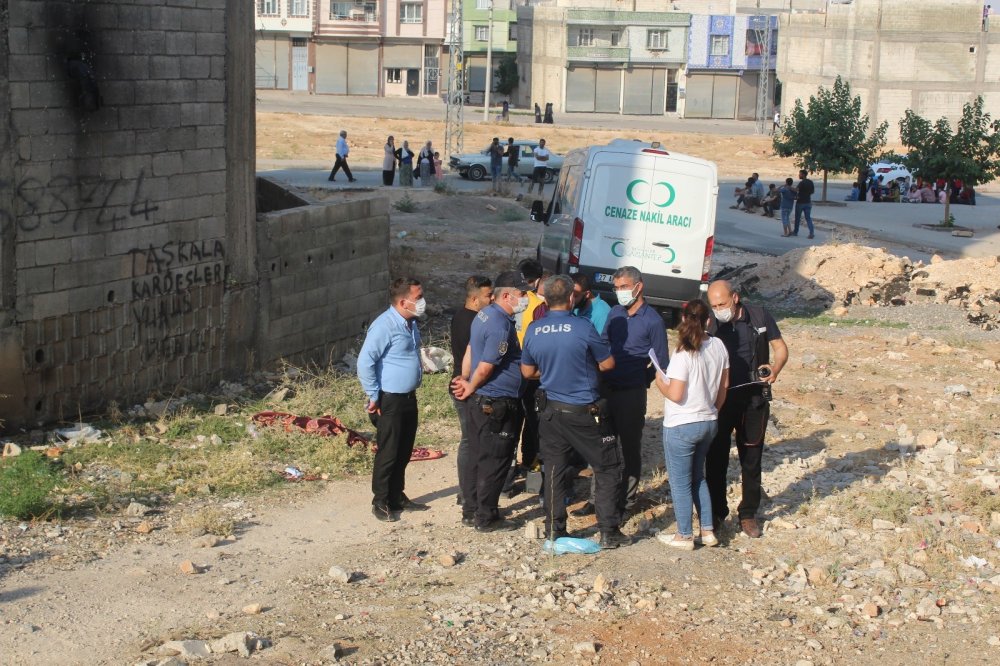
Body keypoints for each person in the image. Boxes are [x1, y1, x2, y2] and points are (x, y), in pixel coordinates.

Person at [520, 275, 630, 548]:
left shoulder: (535, 329)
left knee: (555, 470)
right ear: (571, 298)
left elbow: (528, 371)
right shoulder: (582, 327)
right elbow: (607, 364)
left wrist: (553, 372)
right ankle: (608, 531)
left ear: (544, 298)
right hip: (584, 411)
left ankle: (555, 530)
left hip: (551, 412)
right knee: (607, 467)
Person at [705, 280, 788, 538]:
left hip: (754, 399)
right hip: (722, 399)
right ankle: (717, 513)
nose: (718, 309)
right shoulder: (711, 322)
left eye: (722, 303)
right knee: (716, 458)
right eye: (714, 305)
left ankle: (748, 514)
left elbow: (780, 348)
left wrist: (775, 369)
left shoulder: (759, 315)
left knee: (751, 459)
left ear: (736, 298)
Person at [452, 271, 529, 532]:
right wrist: (471, 383)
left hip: (480, 399)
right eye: (522, 294)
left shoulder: (482, 316)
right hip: (496, 402)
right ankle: (486, 517)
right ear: (506, 295)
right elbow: (485, 365)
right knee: (495, 460)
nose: (525, 299)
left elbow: (471, 351)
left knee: (477, 454)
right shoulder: (499, 325)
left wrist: (465, 380)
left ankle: (471, 509)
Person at [654, 299, 729, 550]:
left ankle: (684, 534)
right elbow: (724, 386)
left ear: (683, 319)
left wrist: (659, 380)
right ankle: (707, 530)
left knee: (680, 482)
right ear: (709, 320)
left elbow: (675, 394)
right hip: (708, 421)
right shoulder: (719, 346)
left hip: (681, 423)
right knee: (699, 478)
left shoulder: (683, 351)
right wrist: (713, 410)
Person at [597, 266, 669, 516]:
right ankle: (599, 499)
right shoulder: (615, 313)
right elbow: (604, 343)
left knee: (629, 447)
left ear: (639, 287)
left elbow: (662, 362)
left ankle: (626, 502)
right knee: (603, 446)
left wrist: (642, 378)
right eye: (616, 288)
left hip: (631, 392)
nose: (620, 292)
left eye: (624, 287)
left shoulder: (653, 321)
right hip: (607, 387)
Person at [357, 277, 427, 522]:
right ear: (402, 301)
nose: (422, 302)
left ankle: (397, 495)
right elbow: (365, 362)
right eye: (418, 298)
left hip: (408, 397)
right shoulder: (384, 325)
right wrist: (373, 395)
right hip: (390, 400)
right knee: (389, 451)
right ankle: (381, 501)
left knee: (404, 449)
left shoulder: (411, 323)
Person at [450, 276, 493, 507]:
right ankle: (467, 492)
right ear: (475, 298)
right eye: (488, 295)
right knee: (470, 441)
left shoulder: (464, 316)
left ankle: (469, 489)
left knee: (473, 440)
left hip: (465, 384)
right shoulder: (472, 322)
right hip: (464, 386)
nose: (492, 298)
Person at [792, 169, 815, 239]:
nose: (799, 175)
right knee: (808, 218)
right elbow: (812, 191)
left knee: (797, 218)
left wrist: (789, 187)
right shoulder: (810, 182)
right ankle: (811, 233)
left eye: (800, 174)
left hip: (800, 202)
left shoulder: (802, 182)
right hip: (808, 202)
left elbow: (796, 190)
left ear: (803, 175)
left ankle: (795, 232)